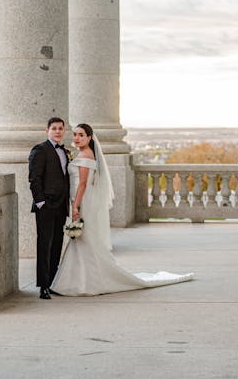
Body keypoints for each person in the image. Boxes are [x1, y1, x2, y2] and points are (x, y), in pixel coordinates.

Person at [51, 123, 194, 296]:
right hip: (82, 199)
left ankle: (86, 281)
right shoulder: (83, 153)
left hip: (83, 201)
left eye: (81, 135)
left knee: (84, 238)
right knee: (84, 238)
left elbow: (82, 184)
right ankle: (80, 279)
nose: (77, 138)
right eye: (75, 134)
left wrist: (75, 206)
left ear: (89, 138)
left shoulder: (86, 155)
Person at [29, 117, 70, 299]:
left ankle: (53, 282)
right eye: (54, 128)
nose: (58, 131)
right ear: (47, 131)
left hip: (61, 205)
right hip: (46, 206)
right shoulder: (40, 150)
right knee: (44, 245)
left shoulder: (65, 151)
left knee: (57, 244)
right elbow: (34, 178)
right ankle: (43, 286)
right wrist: (40, 202)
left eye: (61, 128)